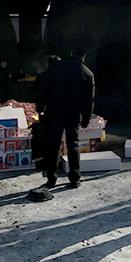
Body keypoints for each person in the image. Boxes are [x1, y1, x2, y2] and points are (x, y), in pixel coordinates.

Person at [39, 44, 95, 189]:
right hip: (73, 113)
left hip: (54, 111)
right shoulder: (87, 73)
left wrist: (40, 107)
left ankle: (51, 178)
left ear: (71, 52)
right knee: (73, 144)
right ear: (84, 56)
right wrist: (86, 119)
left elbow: (45, 88)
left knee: (53, 144)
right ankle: (75, 178)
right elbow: (89, 100)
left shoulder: (56, 67)